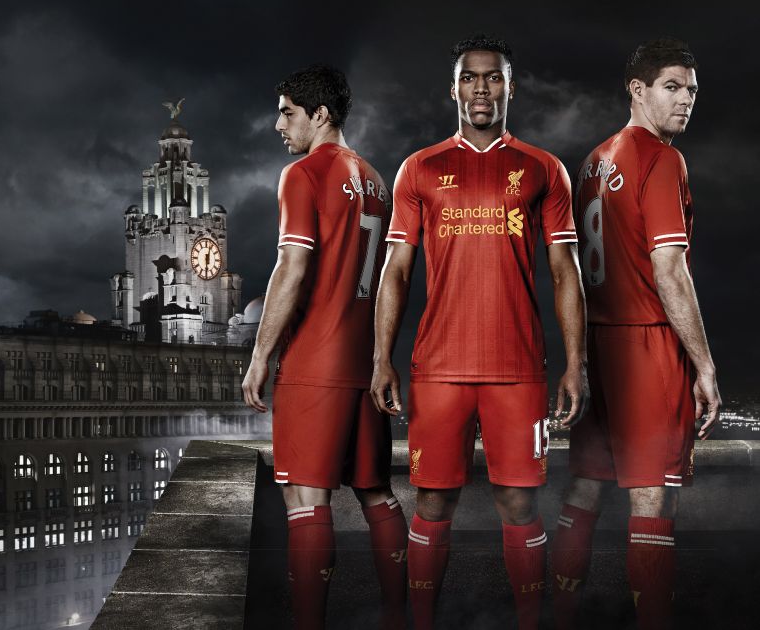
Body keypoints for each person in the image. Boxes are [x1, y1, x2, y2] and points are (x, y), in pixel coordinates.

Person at [370, 35, 588, 630]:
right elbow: (396, 270)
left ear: (510, 87)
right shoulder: (420, 168)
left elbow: (565, 271)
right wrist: (381, 358)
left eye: (493, 78)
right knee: (432, 502)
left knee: (519, 504)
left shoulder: (544, 169)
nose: (482, 88)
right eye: (471, 77)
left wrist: (576, 363)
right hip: (437, 368)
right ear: (454, 88)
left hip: (518, 368)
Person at [551, 39, 721, 630]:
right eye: (672, 87)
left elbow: (571, 267)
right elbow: (668, 270)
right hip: (647, 346)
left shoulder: (594, 161)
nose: (685, 101)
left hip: (599, 347)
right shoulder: (661, 159)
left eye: (692, 91)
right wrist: (704, 366)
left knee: (586, 492)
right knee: (653, 501)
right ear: (638, 89)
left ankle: (558, 617)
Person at [242, 64, 407, 630]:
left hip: (314, 361)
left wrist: (261, 353)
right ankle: (398, 617)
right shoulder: (376, 179)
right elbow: (386, 277)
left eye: (288, 112)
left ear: (321, 115)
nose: (278, 124)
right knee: (377, 494)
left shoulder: (303, 174)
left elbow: (292, 264)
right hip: (363, 361)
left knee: (306, 504)